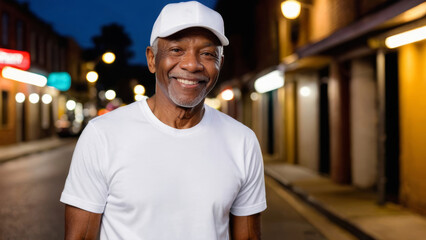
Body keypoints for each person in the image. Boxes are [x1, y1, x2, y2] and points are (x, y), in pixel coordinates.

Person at [60, 1, 266, 239]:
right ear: (151, 59)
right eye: (176, 50)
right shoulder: (102, 135)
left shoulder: (242, 141)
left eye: (208, 54)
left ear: (220, 62)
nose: (192, 64)